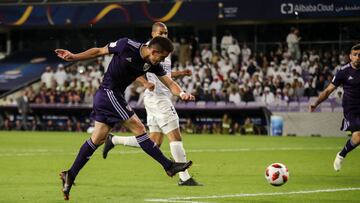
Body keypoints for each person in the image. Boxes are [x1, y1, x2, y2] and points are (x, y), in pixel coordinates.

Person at [55, 36, 195, 200]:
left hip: (113, 95)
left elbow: (170, 83)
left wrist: (183, 93)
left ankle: (70, 174)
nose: (162, 60)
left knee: (97, 139)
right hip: (108, 92)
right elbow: (99, 51)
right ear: (153, 51)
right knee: (139, 128)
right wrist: (74, 56)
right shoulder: (126, 45)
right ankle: (169, 166)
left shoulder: (153, 63)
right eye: (162, 57)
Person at [102, 22, 201, 186]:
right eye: (161, 33)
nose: (164, 35)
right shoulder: (147, 50)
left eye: (166, 33)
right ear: (153, 34)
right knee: (175, 136)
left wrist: (180, 73)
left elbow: (164, 75)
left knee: (154, 142)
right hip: (158, 98)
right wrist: (144, 83)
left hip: (156, 97)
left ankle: (114, 140)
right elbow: (132, 68)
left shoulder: (163, 52)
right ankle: (185, 178)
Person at [309, 43, 360, 172]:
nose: (358, 57)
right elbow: (328, 91)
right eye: (355, 55)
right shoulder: (343, 72)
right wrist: (316, 103)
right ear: (350, 56)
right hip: (351, 110)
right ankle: (341, 154)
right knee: (358, 136)